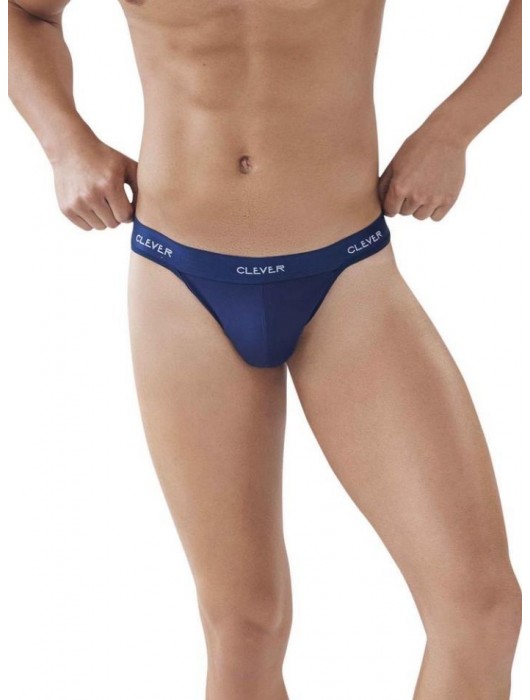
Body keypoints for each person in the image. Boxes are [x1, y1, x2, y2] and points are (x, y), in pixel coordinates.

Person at [8, 0, 522, 698]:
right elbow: (28, 15)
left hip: (348, 276)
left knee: (481, 612)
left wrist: (453, 130)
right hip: (181, 280)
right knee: (244, 629)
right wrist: (64, 142)